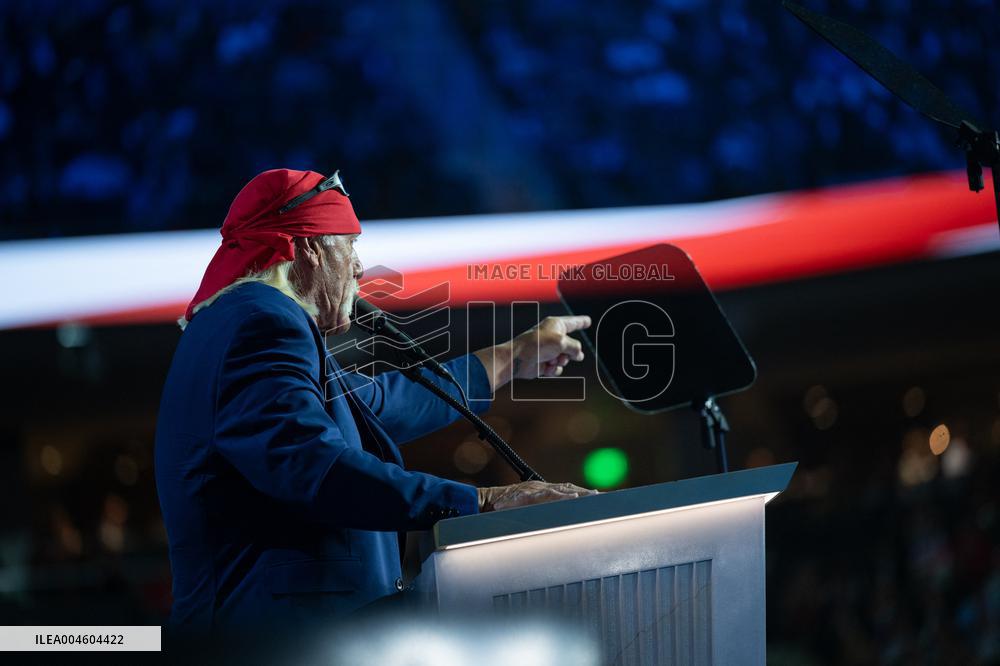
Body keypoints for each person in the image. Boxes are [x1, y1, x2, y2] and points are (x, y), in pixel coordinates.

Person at [154, 168, 595, 635]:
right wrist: (481, 501)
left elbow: (378, 404)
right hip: (278, 642)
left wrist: (512, 357)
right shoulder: (263, 321)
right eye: (349, 246)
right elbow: (314, 467)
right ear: (309, 249)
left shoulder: (243, 321)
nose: (360, 267)